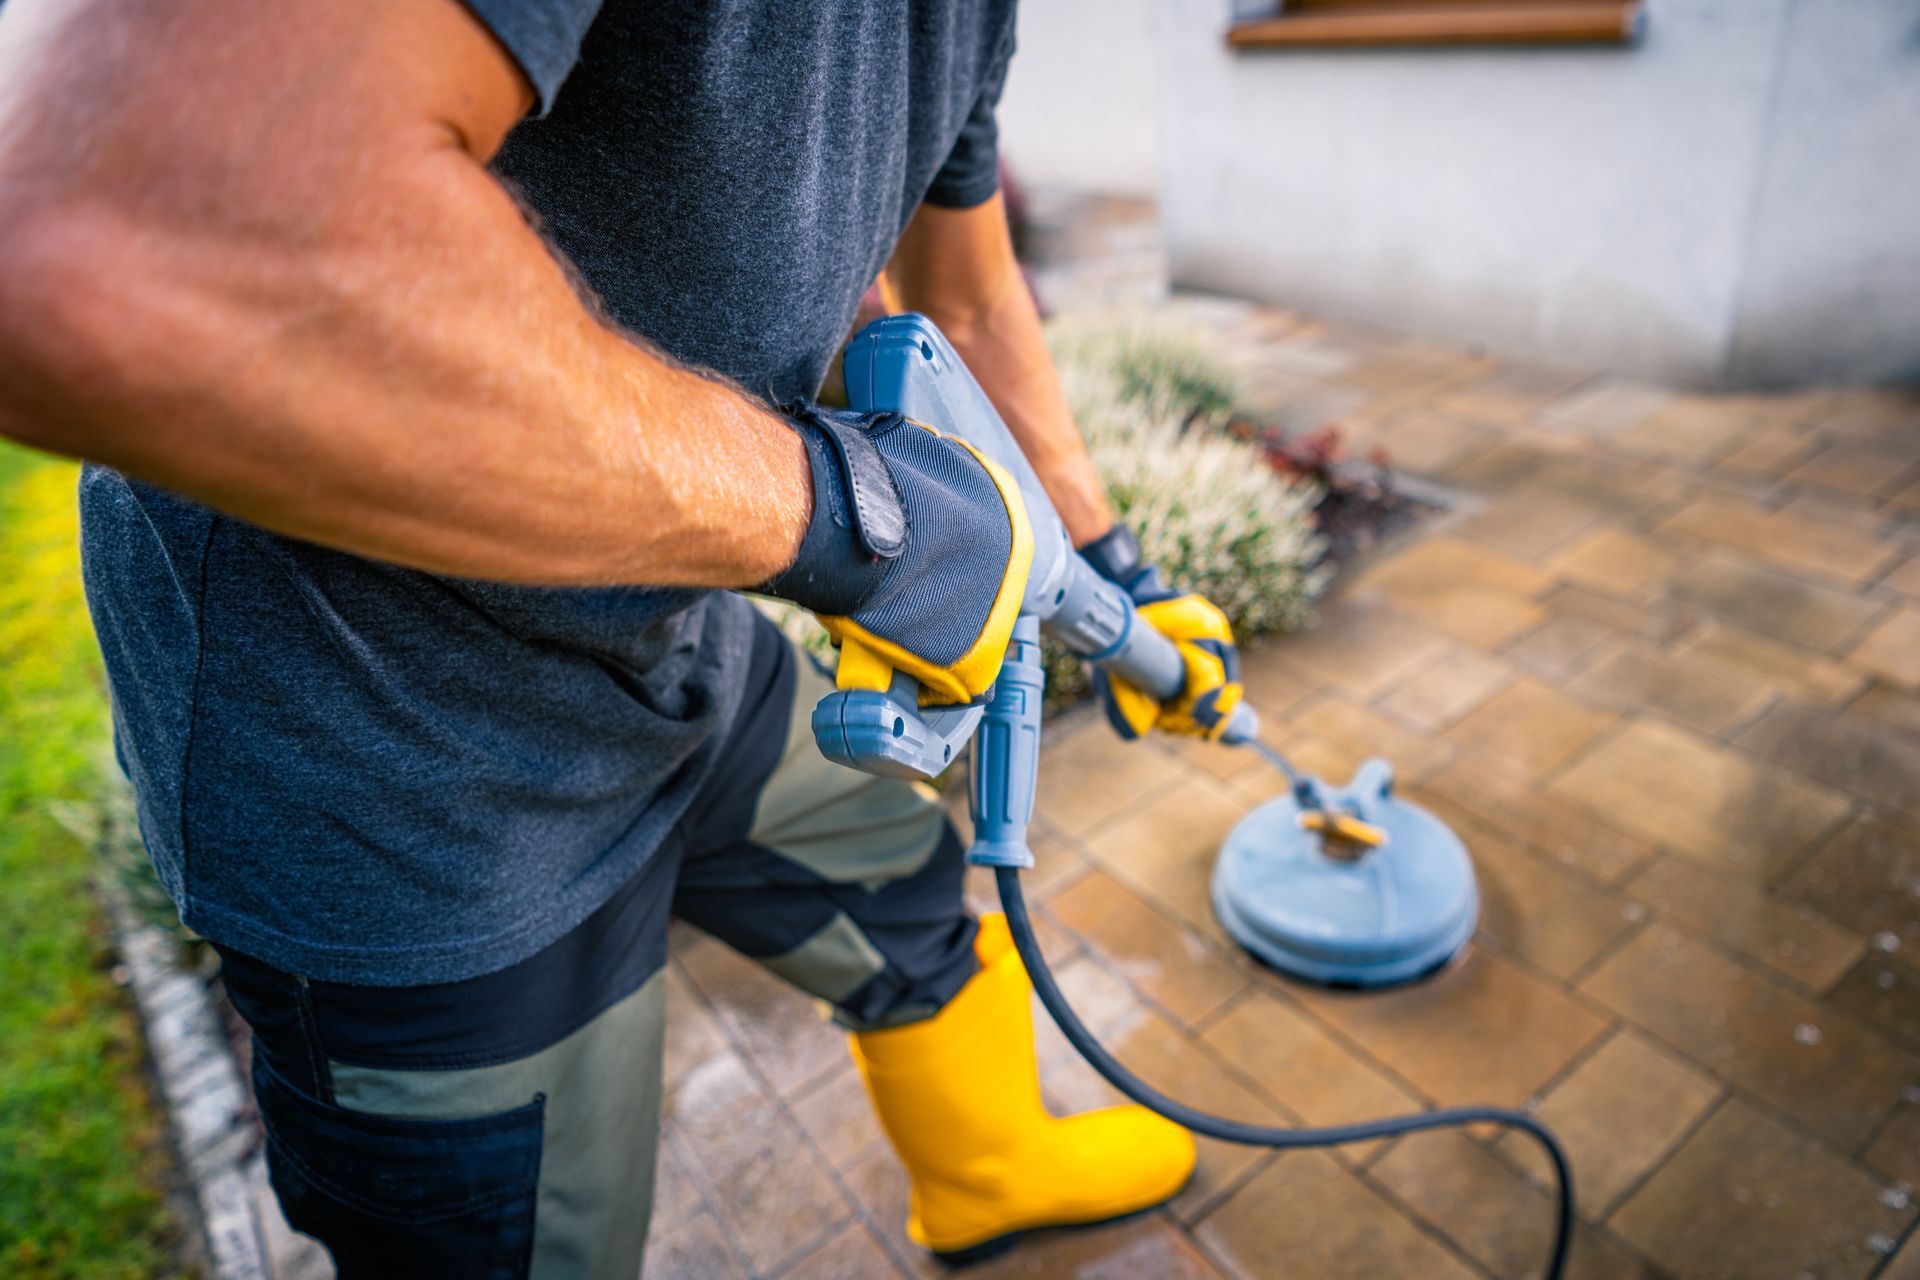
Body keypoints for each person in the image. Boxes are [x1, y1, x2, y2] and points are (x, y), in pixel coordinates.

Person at [0, 1, 1246, 1273]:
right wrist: (852, 525)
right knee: (532, 1225)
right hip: (392, 742)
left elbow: (972, 305)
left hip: (668, 623)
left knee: (896, 873)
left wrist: (1116, 571)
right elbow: (130, 238)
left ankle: (986, 1169)